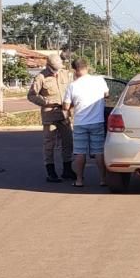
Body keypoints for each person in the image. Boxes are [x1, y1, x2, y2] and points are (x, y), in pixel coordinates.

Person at [28, 54, 75, 183]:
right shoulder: (41, 77)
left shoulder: (66, 74)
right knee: (49, 144)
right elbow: (31, 95)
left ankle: (67, 169)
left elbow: (72, 91)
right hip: (49, 114)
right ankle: (51, 171)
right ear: (48, 66)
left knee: (68, 142)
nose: (57, 70)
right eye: (54, 68)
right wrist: (45, 102)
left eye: (58, 67)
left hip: (64, 113)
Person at [63, 58, 109, 187]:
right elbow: (106, 94)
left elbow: (66, 106)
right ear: (87, 67)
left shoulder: (73, 85)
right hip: (98, 121)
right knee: (99, 151)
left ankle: (79, 180)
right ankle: (103, 179)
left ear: (74, 70)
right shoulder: (100, 80)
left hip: (80, 123)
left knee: (80, 152)